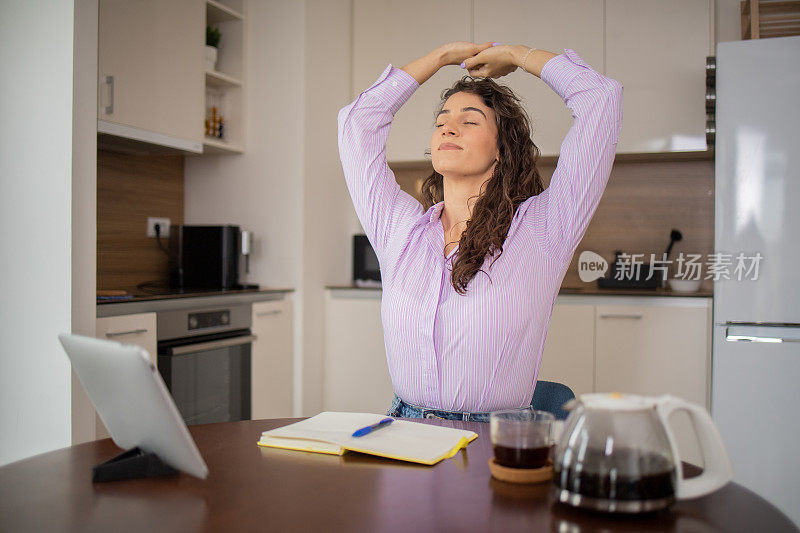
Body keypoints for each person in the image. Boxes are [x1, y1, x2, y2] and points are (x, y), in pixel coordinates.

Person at [336, 41, 623, 422]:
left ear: (502, 148)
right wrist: (438, 59)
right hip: (405, 430)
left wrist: (517, 56)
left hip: (495, 441)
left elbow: (600, 99)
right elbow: (358, 123)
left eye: (469, 120)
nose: (448, 127)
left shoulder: (542, 229)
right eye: (440, 122)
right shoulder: (400, 231)